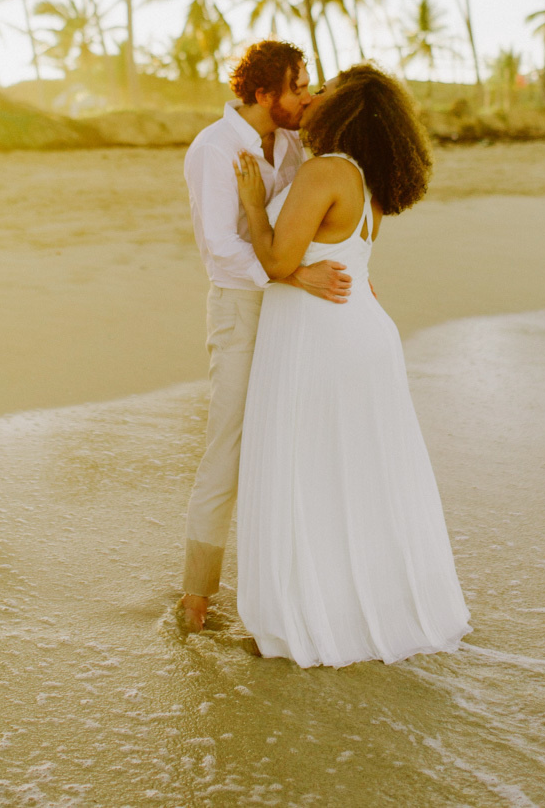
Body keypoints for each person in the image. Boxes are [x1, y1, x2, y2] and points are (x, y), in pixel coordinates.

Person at [233, 63, 471, 668]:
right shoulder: (365, 181)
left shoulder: (324, 171)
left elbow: (275, 259)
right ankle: (368, 612)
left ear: (349, 110)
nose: (316, 96)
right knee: (357, 478)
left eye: (328, 90)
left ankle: (318, 619)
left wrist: (254, 205)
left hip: (321, 339)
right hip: (360, 333)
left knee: (310, 474)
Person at [179, 40, 353, 633]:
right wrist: (294, 273)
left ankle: (278, 591)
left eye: (307, 85)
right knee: (226, 449)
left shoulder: (294, 142)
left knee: (284, 445)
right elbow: (220, 251)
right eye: (297, 86)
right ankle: (196, 595)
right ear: (262, 94)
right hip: (241, 307)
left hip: (287, 309)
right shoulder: (215, 149)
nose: (305, 96)